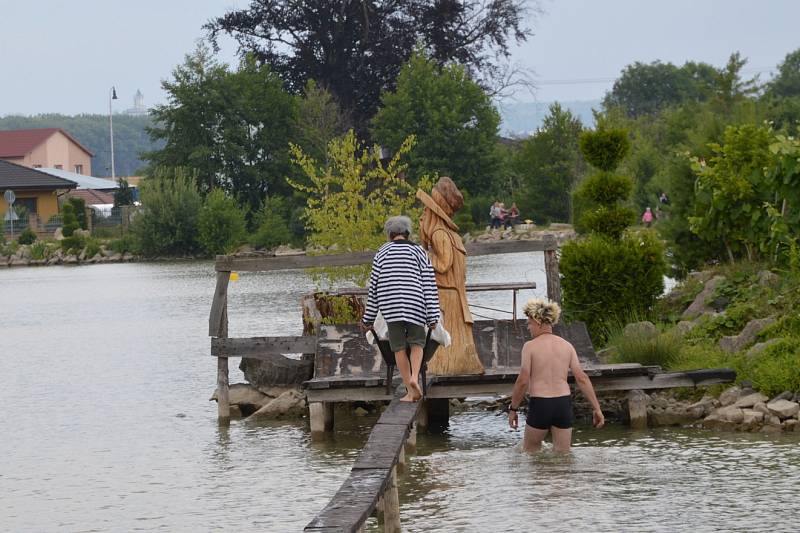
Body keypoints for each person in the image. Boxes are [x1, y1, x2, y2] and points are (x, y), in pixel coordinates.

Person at [507, 298, 604, 453]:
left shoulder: (530, 347)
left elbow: (523, 381)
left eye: (529, 323)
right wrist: (597, 408)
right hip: (562, 404)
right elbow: (582, 378)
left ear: (538, 321)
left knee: (531, 453)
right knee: (563, 456)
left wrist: (513, 409)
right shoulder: (567, 346)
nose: (529, 328)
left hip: (540, 404)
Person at [361, 215, 441, 402]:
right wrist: (432, 315)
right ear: (407, 233)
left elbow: (373, 288)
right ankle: (415, 378)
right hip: (416, 303)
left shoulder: (381, 252)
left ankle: (409, 390)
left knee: (398, 348)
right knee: (417, 343)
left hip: (390, 306)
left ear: (390, 234)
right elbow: (429, 285)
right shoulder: (419, 252)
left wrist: (368, 319)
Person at [418, 177, 485, 375]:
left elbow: (444, 263)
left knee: (444, 336)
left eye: (425, 210)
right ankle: (448, 365)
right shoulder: (450, 234)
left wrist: (422, 255)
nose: (422, 217)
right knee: (454, 337)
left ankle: (441, 367)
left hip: (446, 296)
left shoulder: (439, 233)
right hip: (453, 295)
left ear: (433, 212)